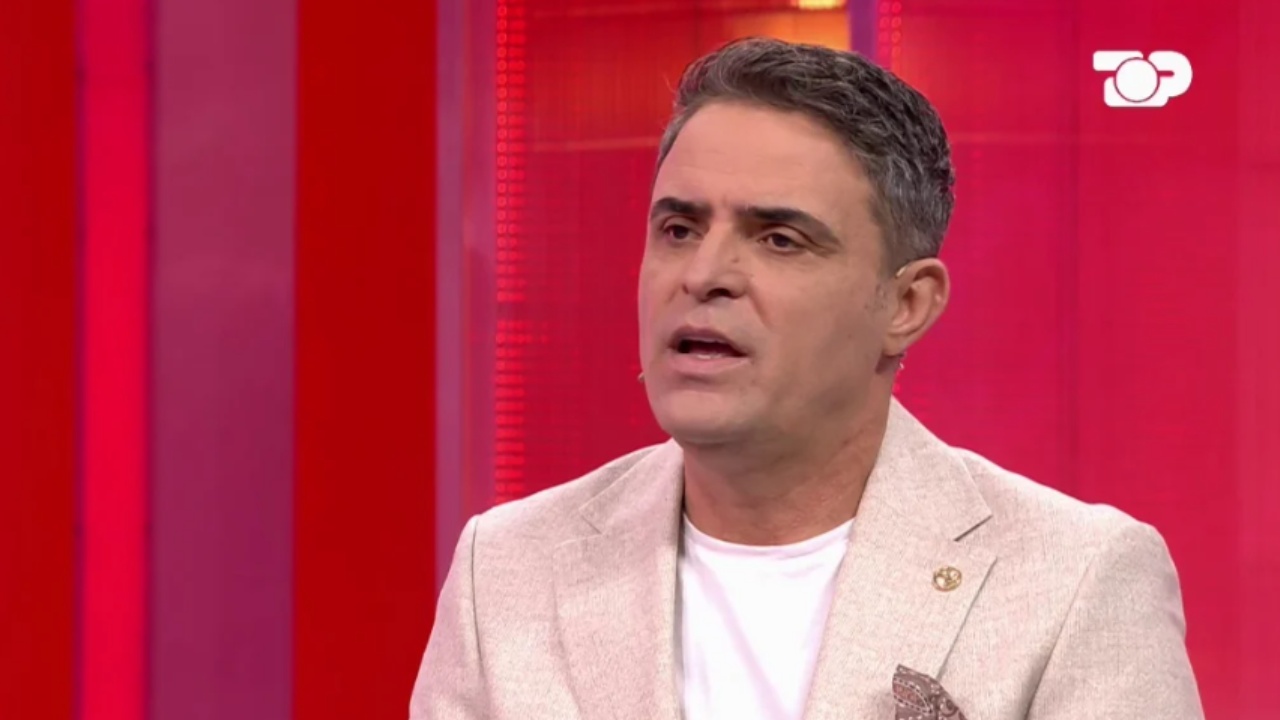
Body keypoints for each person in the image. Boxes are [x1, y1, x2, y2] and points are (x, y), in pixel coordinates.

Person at [410, 37, 1204, 720]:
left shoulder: (1075, 580)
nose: (704, 275)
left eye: (780, 240)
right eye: (679, 228)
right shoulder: (508, 568)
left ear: (906, 305)